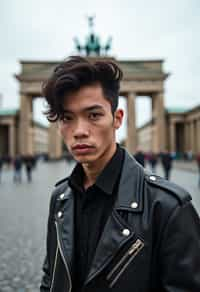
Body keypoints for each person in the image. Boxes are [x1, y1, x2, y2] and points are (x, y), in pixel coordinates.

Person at [40, 56, 200, 292]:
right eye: (67, 118)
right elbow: (51, 278)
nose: (80, 131)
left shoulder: (169, 208)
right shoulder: (60, 197)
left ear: (117, 119)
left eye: (94, 115)